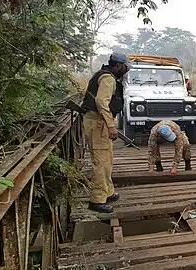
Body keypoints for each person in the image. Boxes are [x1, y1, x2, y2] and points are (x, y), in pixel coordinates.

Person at [81, 52, 132, 213]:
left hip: (98, 121)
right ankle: (97, 200)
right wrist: (111, 125)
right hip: (98, 123)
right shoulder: (108, 78)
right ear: (118, 65)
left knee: (107, 159)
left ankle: (107, 192)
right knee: (101, 162)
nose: (125, 70)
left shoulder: (103, 75)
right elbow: (101, 101)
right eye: (124, 67)